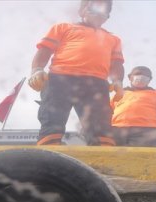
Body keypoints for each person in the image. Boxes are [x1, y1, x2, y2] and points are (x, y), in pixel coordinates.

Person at [27, 0, 124, 146]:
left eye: (104, 11)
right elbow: (45, 50)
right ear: (81, 11)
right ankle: (50, 143)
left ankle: (102, 147)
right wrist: (37, 70)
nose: (99, 13)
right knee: (52, 116)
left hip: (96, 84)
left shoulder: (113, 39)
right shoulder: (63, 28)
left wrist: (118, 81)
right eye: (94, 8)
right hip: (60, 79)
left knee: (100, 122)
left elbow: (116, 64)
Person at [110, 66, 156, 147]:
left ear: (150, 79)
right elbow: (107, 114)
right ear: (130, 77)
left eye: (146, 76)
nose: (141, 77)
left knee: (140, 155)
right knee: (110, 155)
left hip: (146, 132)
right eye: (138, 74)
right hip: (116, 131)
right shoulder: (119, 94)